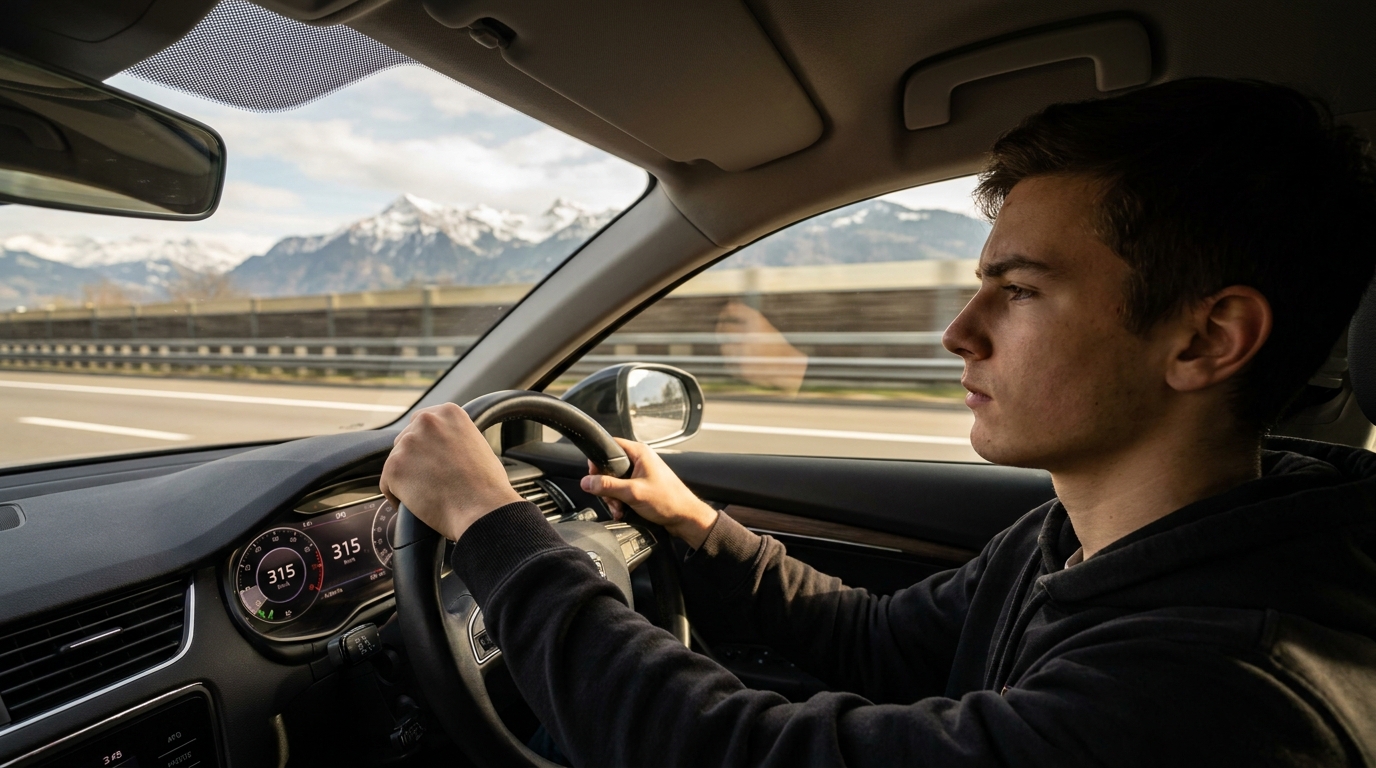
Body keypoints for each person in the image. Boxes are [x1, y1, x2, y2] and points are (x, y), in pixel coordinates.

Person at [379, 78, 1376, 766]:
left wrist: (492, 526)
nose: (958, 332)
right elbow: (880, 643)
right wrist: (693, 524)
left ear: (1205, 342)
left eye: (1019, 290)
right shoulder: (1092, 535)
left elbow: (728, 756)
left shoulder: (1213, 694)